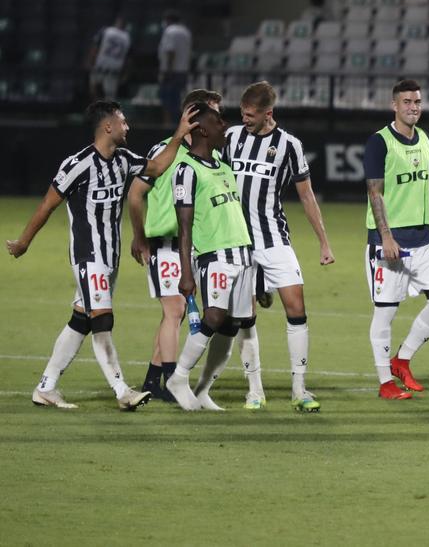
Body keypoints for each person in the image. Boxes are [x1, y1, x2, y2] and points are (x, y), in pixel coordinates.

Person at [9, 101, 196, 410]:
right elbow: (47, 204)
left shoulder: (123, 159)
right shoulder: (77, 164)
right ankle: (122, 390)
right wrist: (24, 243)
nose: (127, 127)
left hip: (110, 257)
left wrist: (177, 136)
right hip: (87, 255)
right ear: (108, 126)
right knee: (102, 319)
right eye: (123, 122)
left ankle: (45, 387)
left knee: (81, 321)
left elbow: (157, 167)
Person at [220, 81, 334, 412]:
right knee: (246, 316)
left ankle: (299, 388)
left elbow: (306, 195)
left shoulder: (288, 146)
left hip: (274, 239)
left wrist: (324, 241)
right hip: (237, 243)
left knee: (296, 307)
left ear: (268, 113)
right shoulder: (230, 138)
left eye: (251, 115)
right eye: (242, 113)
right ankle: (254, 389)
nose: (245, 119)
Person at [128, 89, 223, 403]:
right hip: (166, 245)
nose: (218, 120)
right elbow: (135, 193)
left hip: (191, 247)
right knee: (176, 309)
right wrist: (139, 236)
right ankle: (172, 381)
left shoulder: (211, 156)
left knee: (176, 314)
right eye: (213, 114)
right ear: (193, 118)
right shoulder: (165, 151)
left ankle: (153, 379)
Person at [365, 79, 429, 401]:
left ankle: (402, 359)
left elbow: (428, 188)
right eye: (406, 102)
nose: (413, 107)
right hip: (389, 240)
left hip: (423, 238)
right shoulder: (380, 142)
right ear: (394, 105)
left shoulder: (425, 139)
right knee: (385, 312)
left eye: (417, 101)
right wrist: (386, 237)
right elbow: (374, 191)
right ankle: (385, 382)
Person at [162, 105, 256, 410]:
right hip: (214, 256)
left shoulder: (222, 166)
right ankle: (178, 377)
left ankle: (202, 390)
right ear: (202, 129)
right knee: (214, 316)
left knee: (231, 326)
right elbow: (185, 226)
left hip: (242, 254)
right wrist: (185, 272)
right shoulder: (186, 170)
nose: (224, 126)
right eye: (218, 121)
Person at [157, 10, 192, 126]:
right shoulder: (186, 32)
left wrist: (168, 70)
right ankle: (178, 126)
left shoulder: (170, 31)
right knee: (179, 101)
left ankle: (167, 125)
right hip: (183, 71)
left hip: (171, 71)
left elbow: (171, 51)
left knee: (167, 100)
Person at [87, 16, 130, 100]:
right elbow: (128, 59)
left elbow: (95, 47)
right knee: (109, 97)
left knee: (94, 90)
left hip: (101, 66)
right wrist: (126, 74)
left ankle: (98, 110)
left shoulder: (106, 31)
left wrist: (90, 61)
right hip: (114, 69)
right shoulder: (127, 37)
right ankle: (105, 111)